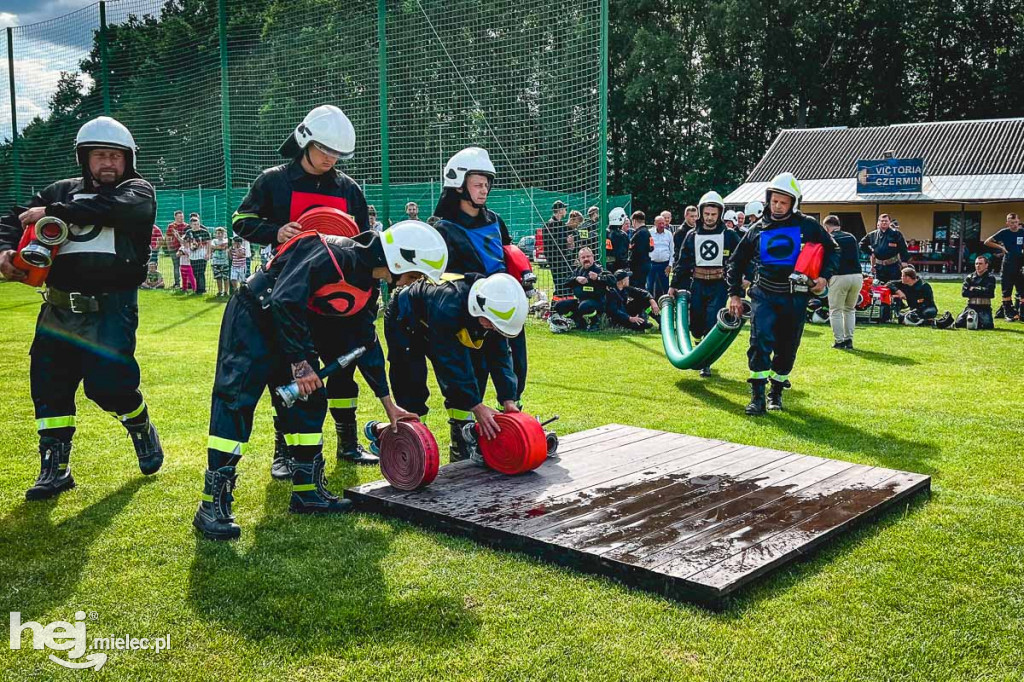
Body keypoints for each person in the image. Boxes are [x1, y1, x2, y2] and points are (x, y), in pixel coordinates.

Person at [193, 222, 443, 540]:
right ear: (398, 261)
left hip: (293, 329)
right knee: (236, 400)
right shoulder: (332, 254)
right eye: (415, 274)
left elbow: (366, 343)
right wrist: (300, 364)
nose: (414, 283)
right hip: (254, 317)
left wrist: (388, 404)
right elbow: (284, 299)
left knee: (310, 401)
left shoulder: (367, 287)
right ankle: (211, 506)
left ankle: (308, 492)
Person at [0, 116, 164, 499]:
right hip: (57, 308)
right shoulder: (60, 190)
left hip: (112, 309)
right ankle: (56, 467)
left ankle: (140, 425)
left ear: (128, 160)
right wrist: (5, 250)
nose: (108, 163)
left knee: (109, 387)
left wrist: (58, 212)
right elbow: (11, 218)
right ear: (84, 158)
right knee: (49, 385)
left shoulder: (137, 191)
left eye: (115, 156)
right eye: (99, 156)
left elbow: (118, 210)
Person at [230, 105, 377, 475]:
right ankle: (284, 450)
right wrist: (275, 231)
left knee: (343, 368)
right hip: (287, 295)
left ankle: (348, 442)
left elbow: (362, 241)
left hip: (337, 297)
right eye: (325, 150)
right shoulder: (273, 181)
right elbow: (241, 220)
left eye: (337, 154)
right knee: (288, 372)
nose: (331, 159)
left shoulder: (349, 188)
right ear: (305, 140)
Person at [377, 272, 527, 462]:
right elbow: (449, 362)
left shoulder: (491, 311)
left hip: (436, 321)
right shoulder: (449, 303)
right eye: (490, 324)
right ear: (477, 308)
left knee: (475, 375)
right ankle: (410, 449)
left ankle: (461, 448)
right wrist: (477, 406)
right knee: (412, 384)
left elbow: (500, 356)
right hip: (405, 320)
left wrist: (508, 398)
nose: (491, 328)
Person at [726, 172, 839, 414]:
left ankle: (775, 393)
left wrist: (823, 277)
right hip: (763, 294)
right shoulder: (756, 228)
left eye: (783, 202)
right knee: (759, 342)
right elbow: (736, 261)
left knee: (788, 347)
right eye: (774, 201)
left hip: (795, 297)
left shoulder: (808, 226)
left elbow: (833, 251)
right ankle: (756, 397)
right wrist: (734, 294)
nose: (777, 206)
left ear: (793, 203)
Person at [432, 146, 530, 409]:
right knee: (473, 372)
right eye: (477, 184)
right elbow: (441, 277)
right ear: (459, 185)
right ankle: (464, 433)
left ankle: (510, 415)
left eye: (486, 184)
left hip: (505, 304)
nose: (484, 190)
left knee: (514, 364)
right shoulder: (443, 228)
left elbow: (507, 252)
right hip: (470, 311)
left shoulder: (496, 220)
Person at [669, 190, 740, 377]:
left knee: (711, 320)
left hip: (719, 285)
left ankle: (705, 362)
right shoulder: (691, 235)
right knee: (697, 323)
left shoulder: (730, 235)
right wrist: (674, 285)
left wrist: (744, 279)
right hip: (698, 283)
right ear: (701, 213)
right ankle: (699, 343)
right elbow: (682, 261)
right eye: (707, 214)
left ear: (720, 214)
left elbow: (742, 258)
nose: (709, 218)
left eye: (713, 214)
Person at [823, 215, 863, 349]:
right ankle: (849, 339)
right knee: (850, 310)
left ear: (827, 227)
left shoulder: (830, 238)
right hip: (857, 276)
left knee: (835, 310)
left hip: (839, 276)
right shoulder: (851, 237)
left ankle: (839, 341)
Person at [552, 247, 614, 331]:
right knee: (559, 305)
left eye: (588, 256)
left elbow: (613, 280)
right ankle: (578, 322)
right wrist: (576, 279)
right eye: (583, 257)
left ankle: (595, 323)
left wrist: (598, 277)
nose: (586, 259)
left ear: (593, 257)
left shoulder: (599, 269)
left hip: (597, 302)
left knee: (584, 305)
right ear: (579, 259)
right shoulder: (578, 271)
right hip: (580, 301)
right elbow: (565, 282)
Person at [983, 213, 1024, 320]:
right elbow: (987, 242)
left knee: (1022, 289)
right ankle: (1009, 313)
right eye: (1011, 223)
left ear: (1018, 221)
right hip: (1008, 263)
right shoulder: (1004, 232)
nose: (1014, 225)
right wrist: (1001, 247)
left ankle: (1022, 313)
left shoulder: (1022, 232)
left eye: (1016, 222)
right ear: (1007, 223)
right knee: (1007, 288)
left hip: (1020, 262)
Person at [887, 267, 954, 328]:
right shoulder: (903, 284)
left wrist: (913, 308)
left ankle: (932, 322)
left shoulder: (924, 286)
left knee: (927, 313)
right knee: (901, 317)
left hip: (926, 307)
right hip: (913, 309)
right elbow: (889, 284)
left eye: (902, 276)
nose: (901, 278)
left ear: (908, 278)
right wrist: (898, 291)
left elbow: (927, 301)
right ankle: (924, 321)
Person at [860, 214, 909, 284]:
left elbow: (903, 248)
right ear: (878, 222)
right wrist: (871, 253)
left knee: (894, 286)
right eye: (882, 221)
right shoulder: (872, 235)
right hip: (879, 267)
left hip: (893, 266)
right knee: (879, 287)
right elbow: (861, 245)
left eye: (886, 221)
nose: (884, 223)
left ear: (889, 222)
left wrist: (904, 261)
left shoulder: (896, 234)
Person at [955, 256, 996, 329]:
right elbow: (964, 293)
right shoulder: (969, 277)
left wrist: (973, 289)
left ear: (986, 265)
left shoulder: (990, 278)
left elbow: (990, 293)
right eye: (976, 263)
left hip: (984, 307)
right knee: (958, 323)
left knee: (987, 325)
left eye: (980, 263)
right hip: (971, 306)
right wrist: (982, 290)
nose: (978, 266)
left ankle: (977, 321)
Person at [544, 200, 571, 296]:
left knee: (565, 284)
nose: (566, 211)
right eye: (564, 209)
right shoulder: (551, 224)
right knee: (560, 285)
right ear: (560, 210)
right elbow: (552, 244)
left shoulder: (561, 224)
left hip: (562, 259)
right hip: (556, 260)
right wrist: (566, 241)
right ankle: (556, 306)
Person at [649, 214, 674, 299]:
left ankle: (667, 306)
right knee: (649, 287)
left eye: (663, 223)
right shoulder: (650, 233)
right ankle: (649, 309)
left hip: (665, 265)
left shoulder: (669, 234)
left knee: (665, 287)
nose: (662, 225)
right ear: (655, 224)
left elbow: (672, 251)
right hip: (652, 264)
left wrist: (670, 265)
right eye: (659, 223)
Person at [185, 214, 211, 295]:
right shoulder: (188, 232)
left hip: (202, 255)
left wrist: (208, 253)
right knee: (195, 273)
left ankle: (202, 289)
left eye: (197, 224)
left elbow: (209, 244)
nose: (196, 226)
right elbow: (186, 242)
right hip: (193, 256)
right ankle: (198, 288)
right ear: (191, 225)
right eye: (194, 224)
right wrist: (188, 250)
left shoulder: (205, 232)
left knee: (201, 272)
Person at [628, 210, 652, 294]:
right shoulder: (648, 232)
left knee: (638, 288)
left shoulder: (638, 234)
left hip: (638, 265)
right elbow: (651, 247)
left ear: (634, 220)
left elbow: (636, 252)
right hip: (646, 262)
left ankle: (640, 304)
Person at [166, 210, 187, 288]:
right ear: (175, 217)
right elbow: (168, 237)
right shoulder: (171, 226)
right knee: (176, 265)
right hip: (174, 248)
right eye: (179, 217)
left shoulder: (186, 226)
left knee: (185, 266)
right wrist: (169, 247)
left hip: (184, 249)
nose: (181, 218)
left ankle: (186, 283)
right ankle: (177, 283)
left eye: (182, 217)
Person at [606, 207, 630, 272]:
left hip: (606, 267)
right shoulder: (622, 235)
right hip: (618, 269)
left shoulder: (605, 233)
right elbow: (622, 255)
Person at [211, 226, 230, 297]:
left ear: (224, 234)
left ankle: (226, 291)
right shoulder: (214, 241)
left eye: (221, 233)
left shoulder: (227, 240)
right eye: (218, 233)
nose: (220, 235)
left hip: (225, 261)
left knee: (226, 277)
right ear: (215, 234)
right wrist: (222, 247)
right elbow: (212, 247)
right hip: (216, 262)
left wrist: (218, 247)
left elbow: (227, 246)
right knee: (218, 277)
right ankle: (220, 291)